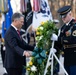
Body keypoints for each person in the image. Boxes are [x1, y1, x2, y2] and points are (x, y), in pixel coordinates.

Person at [52, 5, 76, 75]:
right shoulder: (63, 27)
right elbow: (60, 42)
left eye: (64, 16)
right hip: (67, 56)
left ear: (70, 14)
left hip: (74, 57)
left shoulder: (74, 26)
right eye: (61, 17)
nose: (62, 18)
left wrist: (57, 38)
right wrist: (56, 48)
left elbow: (72, 40)